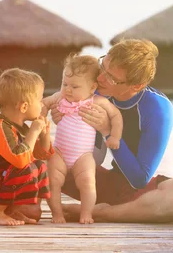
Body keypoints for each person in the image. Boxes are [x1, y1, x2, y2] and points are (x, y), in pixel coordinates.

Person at [55, 39, 173, 223]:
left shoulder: (156, 109)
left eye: (111, 77)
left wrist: (108, 130)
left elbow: (140, 179)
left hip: (150, 192)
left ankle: (100, 213)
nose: (99, 78)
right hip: (115, 184)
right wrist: (61, 115)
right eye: (102, 66)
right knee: (40, 162)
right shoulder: (99, 93)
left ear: (136, 86)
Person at [0, 68, 54, 226]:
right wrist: (34, 131)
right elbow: (20, 161)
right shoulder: (1, 129)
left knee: (39, 166)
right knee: (26, 167)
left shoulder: (22, 129)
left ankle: (23, 209)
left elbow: (42, 156)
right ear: (24, 107)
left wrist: (44, 133)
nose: (42, 104)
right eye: (39, 100)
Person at [41, 54, 122, 224]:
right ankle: (57, 214)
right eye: (65, 84)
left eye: (75, 86)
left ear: (92, 87)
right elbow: (43, 103)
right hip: (60, 151)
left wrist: (114, 136)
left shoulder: (98, 101)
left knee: (87, 183)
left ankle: (86, 214)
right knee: (52, 181)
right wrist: (42, 117)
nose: (68, 89)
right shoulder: (59, 97)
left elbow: (116, 115)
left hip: (83, 155)